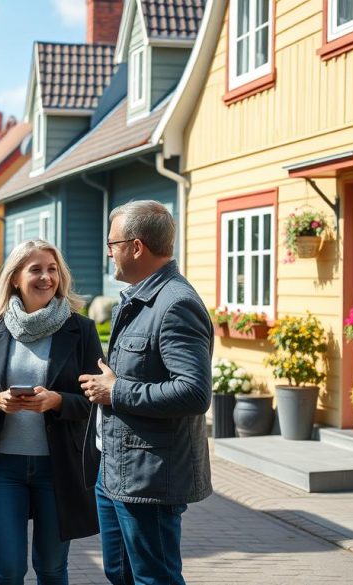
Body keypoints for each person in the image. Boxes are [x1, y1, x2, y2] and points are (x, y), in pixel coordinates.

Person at [79, 200, 213, 585]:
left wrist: (117, 390)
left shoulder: (176, 304)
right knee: (119, 574)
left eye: (112, 244)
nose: (108, 252)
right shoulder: (141, 296)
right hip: (117, 470)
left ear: (136, 247)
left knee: (155, 578)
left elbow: (193, 392)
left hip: (151, 479)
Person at [0, 239, 103, 585]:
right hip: (3, 468)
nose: (46, 277)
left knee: (52, 569)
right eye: (35, 269)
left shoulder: (80, 329)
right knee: (8, 570)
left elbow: (95, 398)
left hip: (58, 468)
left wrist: (57, 401)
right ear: (14, 278)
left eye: (52, 269)